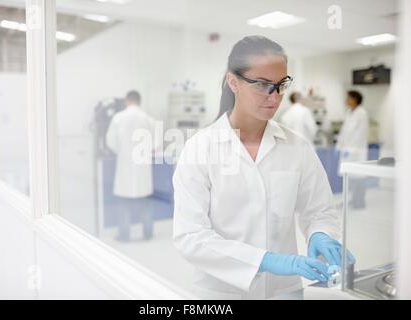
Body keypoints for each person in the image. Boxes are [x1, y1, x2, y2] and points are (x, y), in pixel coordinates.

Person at [172, 36, 352, 300]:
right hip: (222, 293)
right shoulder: (200, 148)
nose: (275, 96)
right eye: (262, 85)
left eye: (281, 85)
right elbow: (190, 236)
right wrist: (264, 260)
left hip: (284, 290)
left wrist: (321, 234)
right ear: (233, 82)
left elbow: (320, 211)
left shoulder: (297, 147)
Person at [107, 90, 156, 241]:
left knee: (123, 203)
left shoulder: (118, 118)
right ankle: (147, 234)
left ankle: (124, 234)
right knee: (146, 204)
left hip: (125, 166)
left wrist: (122, 152)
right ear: (139, 101)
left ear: (127, 100)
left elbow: (110, 141)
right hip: (142, 168)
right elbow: (155, 143)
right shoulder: (148, 119)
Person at [336, 90, 369, 209]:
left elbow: (361, 134)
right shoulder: (349, 112)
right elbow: (344, 131)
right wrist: (339, 145)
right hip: (347, 150)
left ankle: (359, 202)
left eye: (348, 98)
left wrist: (352, 149)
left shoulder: (361, 113)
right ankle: (350, 199)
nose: (346, 100)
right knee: (349, 177)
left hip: (356, 151)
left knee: (359, 177)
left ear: (355, 99)